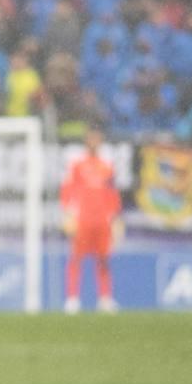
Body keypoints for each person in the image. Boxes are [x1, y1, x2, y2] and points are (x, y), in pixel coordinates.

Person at [60, 127, 122, 314]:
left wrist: (115, 219)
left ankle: (105, 298)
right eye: (91, 138)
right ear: (86, 141)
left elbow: (112, 194)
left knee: (104, 260)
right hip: (83, 220)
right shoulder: (77, 166)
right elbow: (67, 191)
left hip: (102, 221)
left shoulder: (107, 167)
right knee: (76, 259)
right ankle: (72, 299)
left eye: (97, 138)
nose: (94, 142)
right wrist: (68, 214)